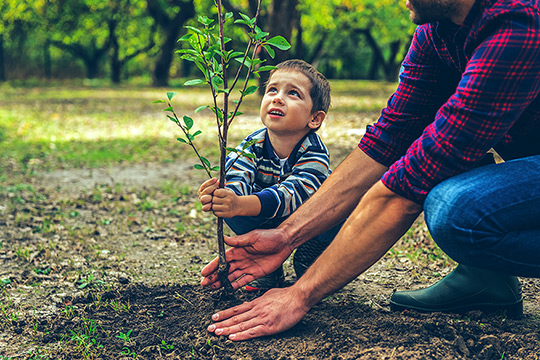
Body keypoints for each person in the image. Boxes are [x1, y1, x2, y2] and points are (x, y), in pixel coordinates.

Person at [200, 0, 540, 341]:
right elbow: (388, 139)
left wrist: (300, 293)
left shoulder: (518, 23)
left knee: (456, 210)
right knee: (446, 155)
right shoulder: (435, 31)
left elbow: (408, 187)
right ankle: (487, 279)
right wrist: (286, 235)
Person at [198, 59, 342, 291]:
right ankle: (268, 267)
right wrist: (225, 197)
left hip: (309, 221)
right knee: (234, 211)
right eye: (272, 90)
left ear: (315, 118)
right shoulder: (253, 143)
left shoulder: (314, 152)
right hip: (267, 217)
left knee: (341, 213)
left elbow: (294, 194)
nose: (277, 97)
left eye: (293, 93)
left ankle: (316, 254)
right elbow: (237, 174)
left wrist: (244, 203)